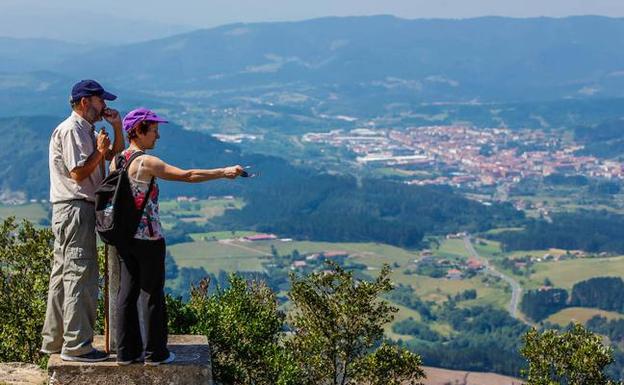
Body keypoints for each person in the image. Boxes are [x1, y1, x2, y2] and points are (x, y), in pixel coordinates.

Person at [113, 108, 243, 366]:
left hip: (125, 237)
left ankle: (126, 353)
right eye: (153, 130)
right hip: (149, 239)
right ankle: (155, 353)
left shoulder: (118, 160)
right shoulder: (144, 162)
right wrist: (223, 171)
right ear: (138, 130)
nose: (157, 136)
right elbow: (187, 175)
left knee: (126, 293)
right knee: (152, 294)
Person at [41, 79, 124, 362]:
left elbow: (116, 156)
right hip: (76, 207)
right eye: (101, 101)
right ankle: (77, 346)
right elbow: (78, 173)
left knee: (63, 275)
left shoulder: (86, 130)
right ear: (86, 101)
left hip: (70, 210)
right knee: (81, 274)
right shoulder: (73, 129)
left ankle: (54, 341)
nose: (105, 106)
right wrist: (99, 152)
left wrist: (116, 127)